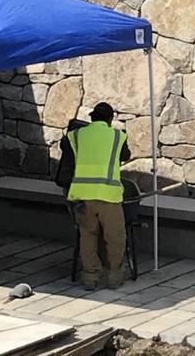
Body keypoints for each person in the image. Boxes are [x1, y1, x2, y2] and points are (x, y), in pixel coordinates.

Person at [61, 102, 131, 290]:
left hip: (83, 197)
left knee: (87, 237)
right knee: (115, 238)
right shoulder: (117, 137)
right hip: (109, 196)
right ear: (110, 119)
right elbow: (125, 156)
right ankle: (115, 276)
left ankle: (90, 278)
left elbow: (67, 158)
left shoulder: (75, 136)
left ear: (91, 118)